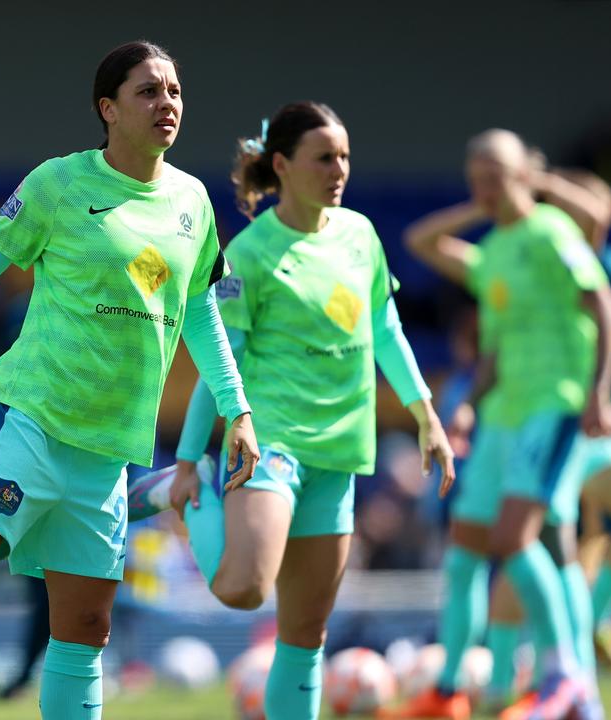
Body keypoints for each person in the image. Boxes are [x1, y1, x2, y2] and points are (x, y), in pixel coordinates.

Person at [0, 40, 260, 719]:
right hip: (30, 415)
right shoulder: (59, 184)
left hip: (109, 444)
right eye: (148, 92)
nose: (167, 104)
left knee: (85, 631)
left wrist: (236, 408)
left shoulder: (193, 203)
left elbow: (201, 314)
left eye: (175, 91)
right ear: (109, 109)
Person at [125, 102, 456, 720]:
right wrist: (193, 457)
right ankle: (183, 492)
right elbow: (219, 368)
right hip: (271, 443)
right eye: (325, 157)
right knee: (244, 589)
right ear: (282, 164)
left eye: (346, 157)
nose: (340, 169)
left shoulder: (360, 235)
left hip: (341, 454)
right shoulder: (247, 255)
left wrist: (426, 415)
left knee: (305, 639)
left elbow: (386, 329)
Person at [394, 129, 611, 720]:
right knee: (467, 548)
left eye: (495, 172)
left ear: (524, 172)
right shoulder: (494, 249)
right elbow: (493, 343)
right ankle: (449, 690)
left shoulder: (553, 232)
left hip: (553, 406)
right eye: (475, 175)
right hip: (501, 414)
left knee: (518, 540)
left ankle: (569, 678)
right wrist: (472, 400)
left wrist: (598, 395)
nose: (485, 184)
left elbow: (607, 307)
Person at [479, 168, 611, 706]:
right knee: (533, 538)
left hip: (607, 418)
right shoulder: (549, 258)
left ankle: (588, 642)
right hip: (568, 414)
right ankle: (517, 673)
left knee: (598, 533)